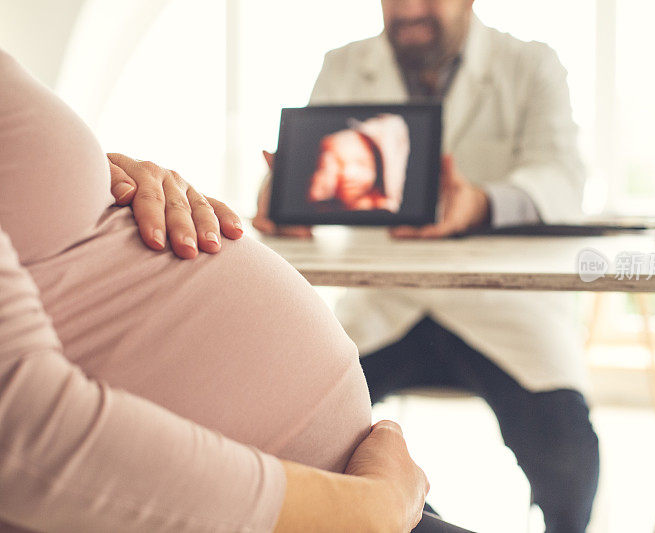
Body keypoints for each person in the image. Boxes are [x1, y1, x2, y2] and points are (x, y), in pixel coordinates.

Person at [0, 45, 454, 532]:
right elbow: (21, 433)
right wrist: (371, 511)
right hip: (275, 514)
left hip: (303, 495)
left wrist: (99, 177)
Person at [255, 1, 600, 531]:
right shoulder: (343, 65)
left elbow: (561, 176)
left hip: (504, 312)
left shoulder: (532, 64)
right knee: (296, 428)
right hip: (383, 304)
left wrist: (480, 204)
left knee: (569, 461)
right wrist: (288, 201)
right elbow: (318, 172)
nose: (410, 9)